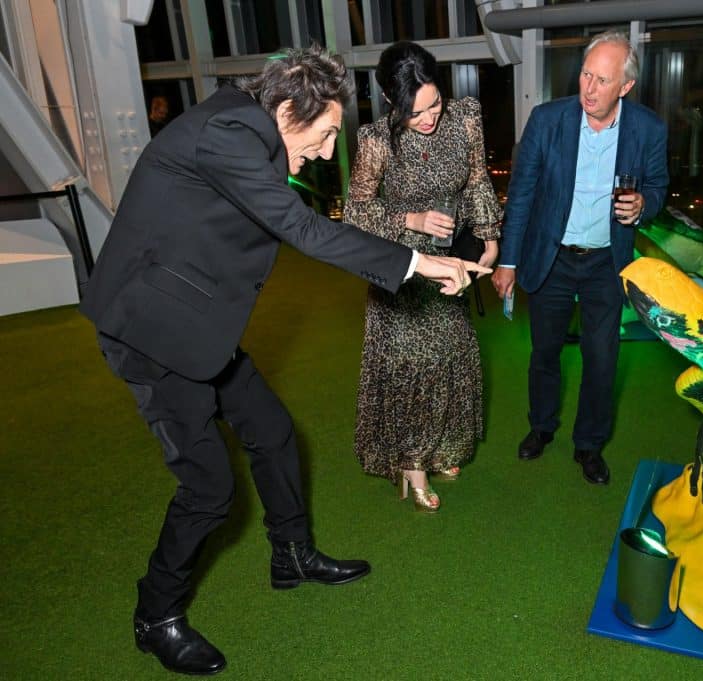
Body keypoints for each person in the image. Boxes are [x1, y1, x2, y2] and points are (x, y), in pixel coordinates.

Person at [80, 45, 487, 676]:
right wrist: (416, 262)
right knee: (210, 487)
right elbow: (302, 228)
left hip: (198, 321)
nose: (328, 152)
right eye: (326, 134)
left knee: (272, 434)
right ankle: (156, 614)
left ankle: (292, 555)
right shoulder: (229, 132)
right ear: (289, 110)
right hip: (152, 331)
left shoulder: (246, 130)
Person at [492, 31, 668, 485]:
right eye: (586, 74)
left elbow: (658, 186)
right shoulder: (547, 120)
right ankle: (541, 427)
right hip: (552, 258)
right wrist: (508, 260)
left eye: (602, 80)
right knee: (544, 353)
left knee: (602, 359)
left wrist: (644, 204)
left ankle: (589, 445)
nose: (589, 88)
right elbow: (522, 194)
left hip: (605, 263)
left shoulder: (648, 128)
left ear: (624, 87)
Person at [344, 41, 502, 512]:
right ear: (393, 103)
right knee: (410, 368)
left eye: (434, 103)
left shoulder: (465, 119)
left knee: (450, 357)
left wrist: (490, 235)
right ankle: (412, 465)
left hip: (450, 266)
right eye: (415, 112)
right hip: (401, 269)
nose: (430, 117)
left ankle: (442, 447)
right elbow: (356, 210)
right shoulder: (376, 142)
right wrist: (411, 219)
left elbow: (475, 180)